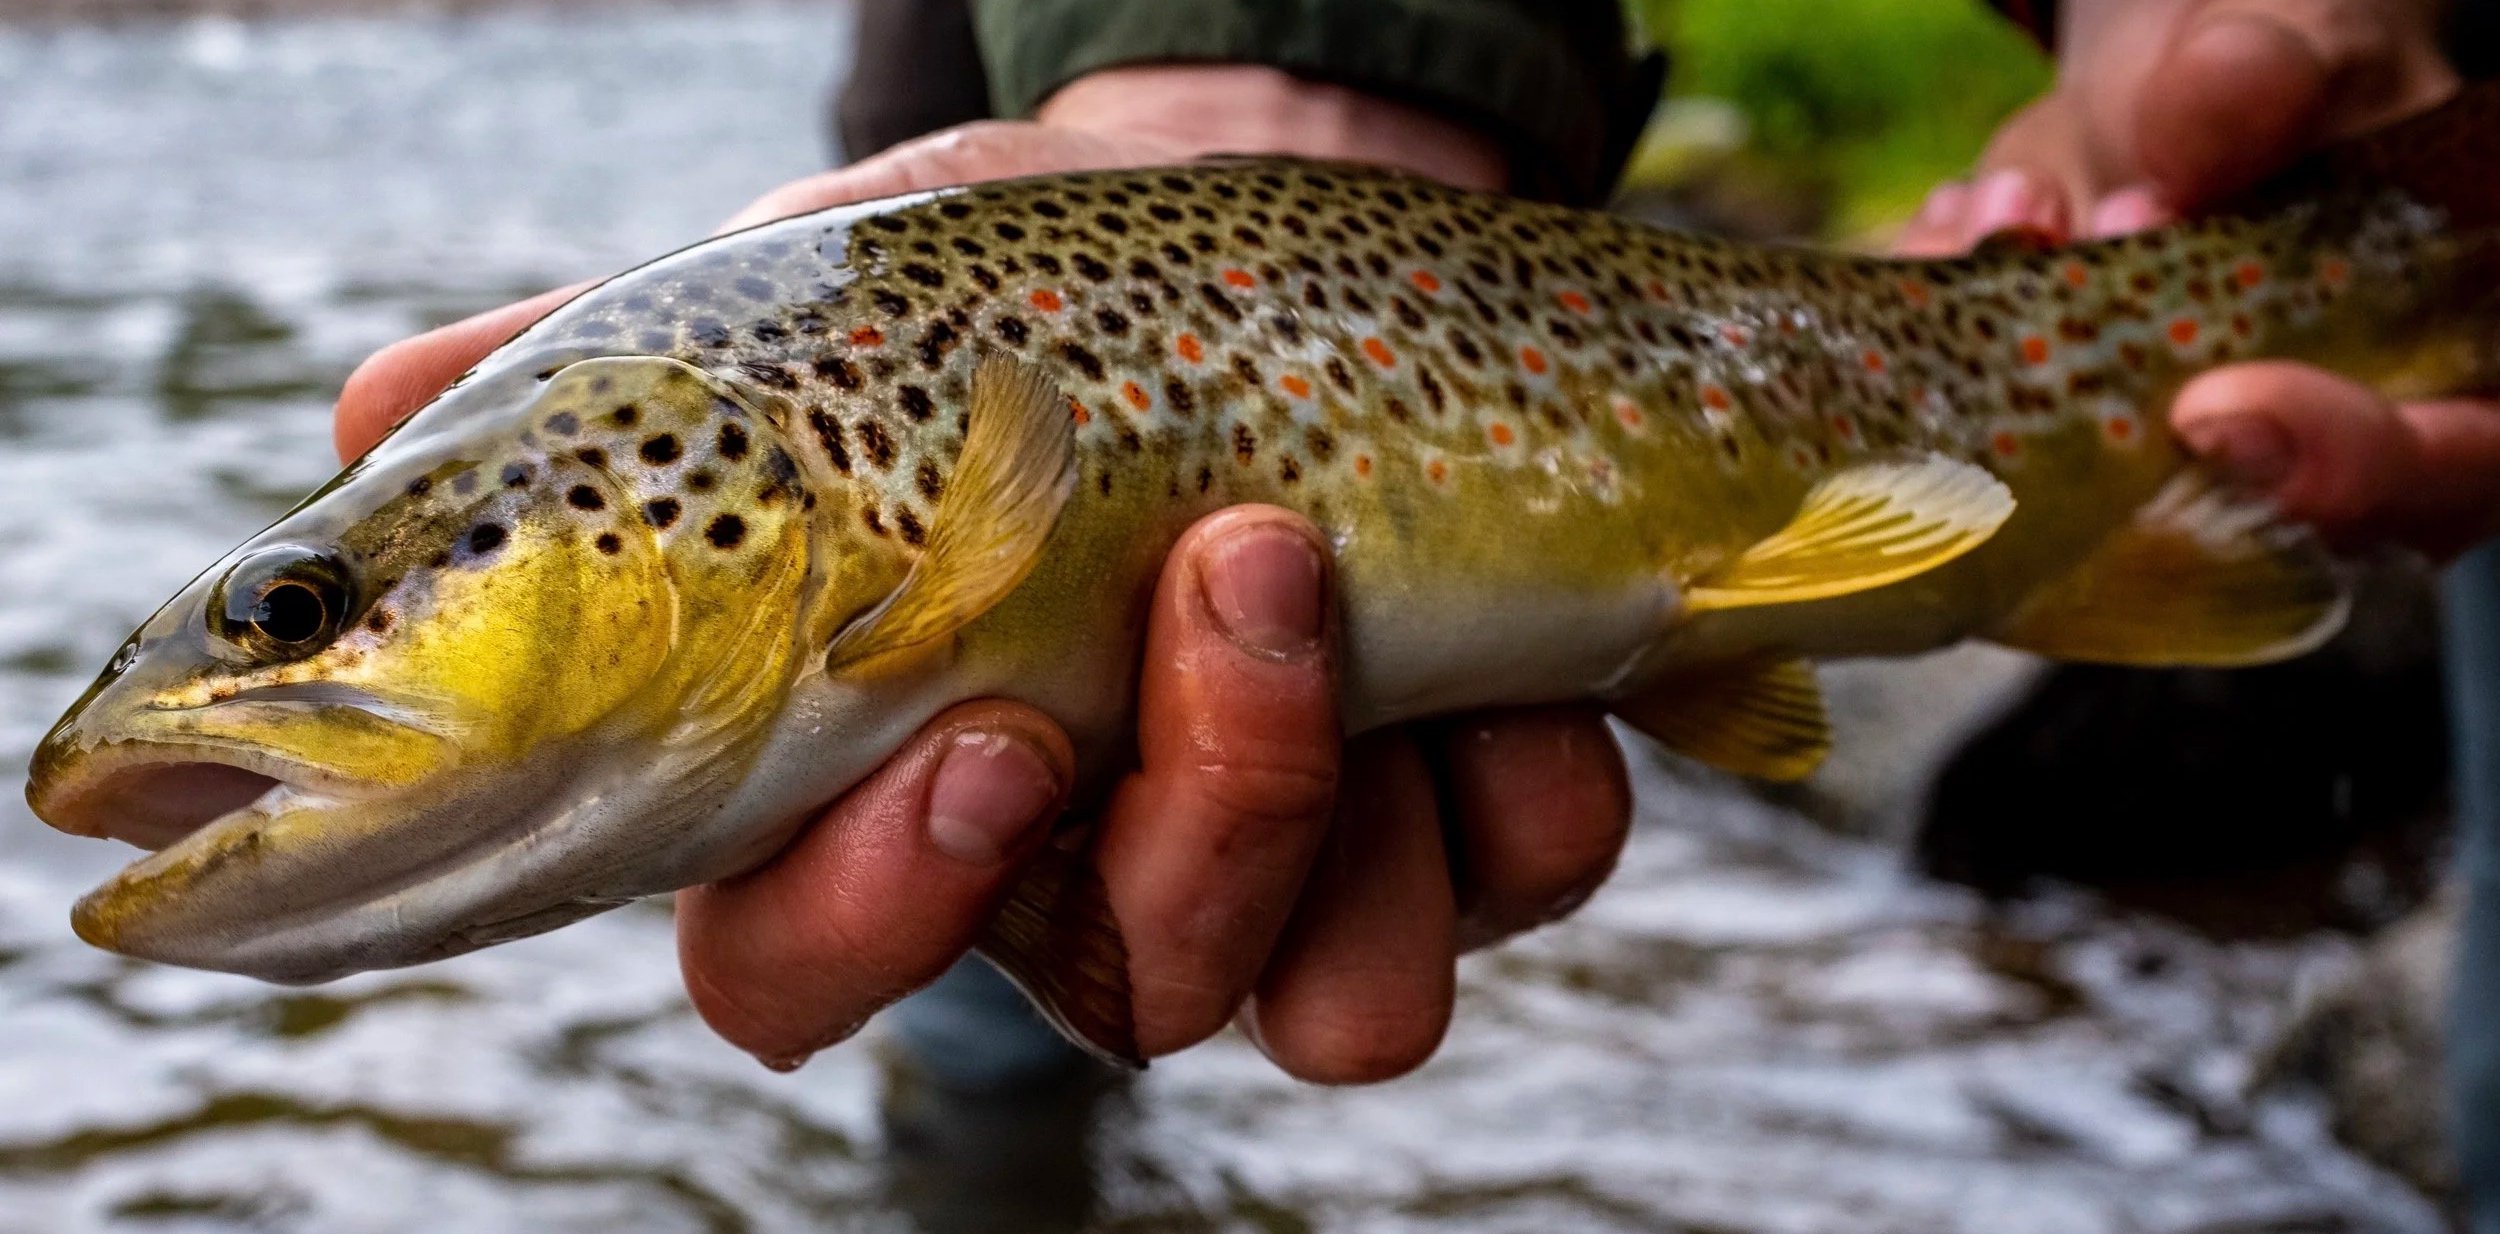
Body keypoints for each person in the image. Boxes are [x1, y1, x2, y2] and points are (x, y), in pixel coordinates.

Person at [330, 0, 2500, 1194]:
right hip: (1022, 92)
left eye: (305, 612)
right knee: (983, 905)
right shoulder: (731, 438)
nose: (293, 662)